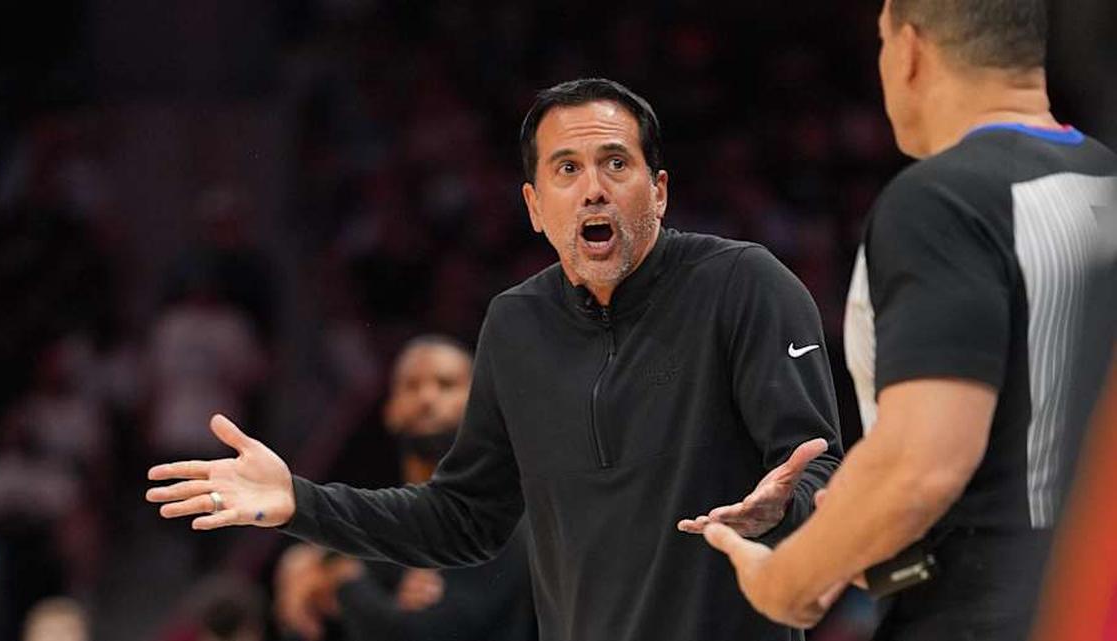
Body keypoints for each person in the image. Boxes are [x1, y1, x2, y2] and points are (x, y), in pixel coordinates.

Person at [147, 78, 844, 641]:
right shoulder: (517, 324)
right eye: (567, 170)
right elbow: (464, 518)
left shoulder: (746, 285)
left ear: (658, 190)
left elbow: (819, 466)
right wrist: (301, 501)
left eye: (616, 163)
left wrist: (785, 508)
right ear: (535, 207)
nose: (594, 188)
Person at [699, 1, 1117, 639]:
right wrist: (857, 522)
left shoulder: (940, 200)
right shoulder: (1105, 180)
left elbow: (921, 466)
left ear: (911, 49)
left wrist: (786, 581)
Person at [273, 336, 536, 641]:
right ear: (391, 409)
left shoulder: (502, 516)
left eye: (446, 384)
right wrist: (312, 570)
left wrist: (345, 584)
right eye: (411, 386)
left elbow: (430, 633)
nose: (427, 398)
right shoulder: (380, 528)